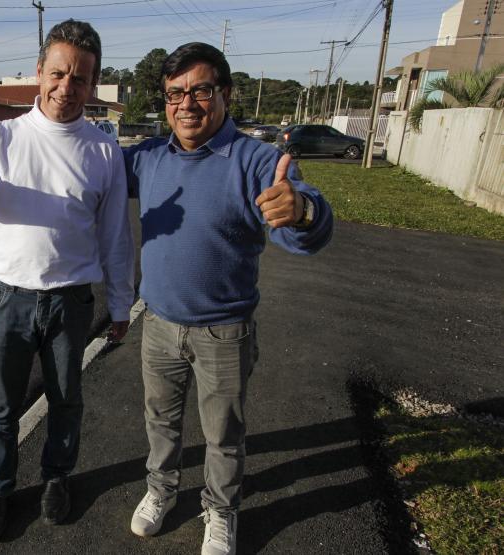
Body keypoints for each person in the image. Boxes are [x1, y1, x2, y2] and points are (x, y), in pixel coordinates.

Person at [0, 19, 134, 543]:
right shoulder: (3, 135)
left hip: (70, 304)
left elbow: (114, 238)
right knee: (0, 408)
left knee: (66, 402)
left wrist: (123, 305)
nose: (67, 87)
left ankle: (57, 479)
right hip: (8, 299)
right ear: (39, 72)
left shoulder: (103, 151)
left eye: (80, 79)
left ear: (93, 83)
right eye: (58, 73)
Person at [124, 43, 333, 555]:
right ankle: (161, 490)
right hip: (157, 324)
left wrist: (302, 209)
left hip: (224, 331)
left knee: (223, 435)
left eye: (201, 90)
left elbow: (303, 227)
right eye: (175, 93)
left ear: (225, 94)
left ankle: (220, 510)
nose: (187, 104)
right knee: (160, 422)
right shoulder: (148, 158)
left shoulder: (257, 160)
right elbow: (85, 167)